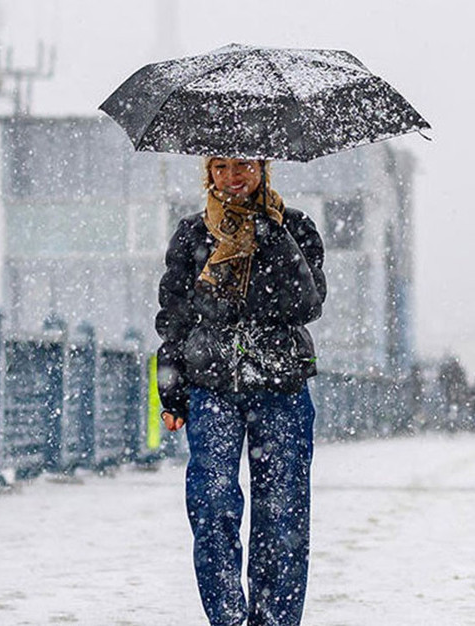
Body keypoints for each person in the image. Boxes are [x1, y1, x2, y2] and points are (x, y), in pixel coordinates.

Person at [155, 156, 326, 625]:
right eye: (223, 166)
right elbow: (173, 318)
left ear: (264, 169)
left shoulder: (295, 228)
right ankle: (227, 619)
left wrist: (273, 237)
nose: (235, 177)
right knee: (212, 507)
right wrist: (170, 385)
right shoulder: (193, 233)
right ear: (208, 172)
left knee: (283, 515)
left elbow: (308, 303)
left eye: (246, 166)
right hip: (213, 387)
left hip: (281, 385)